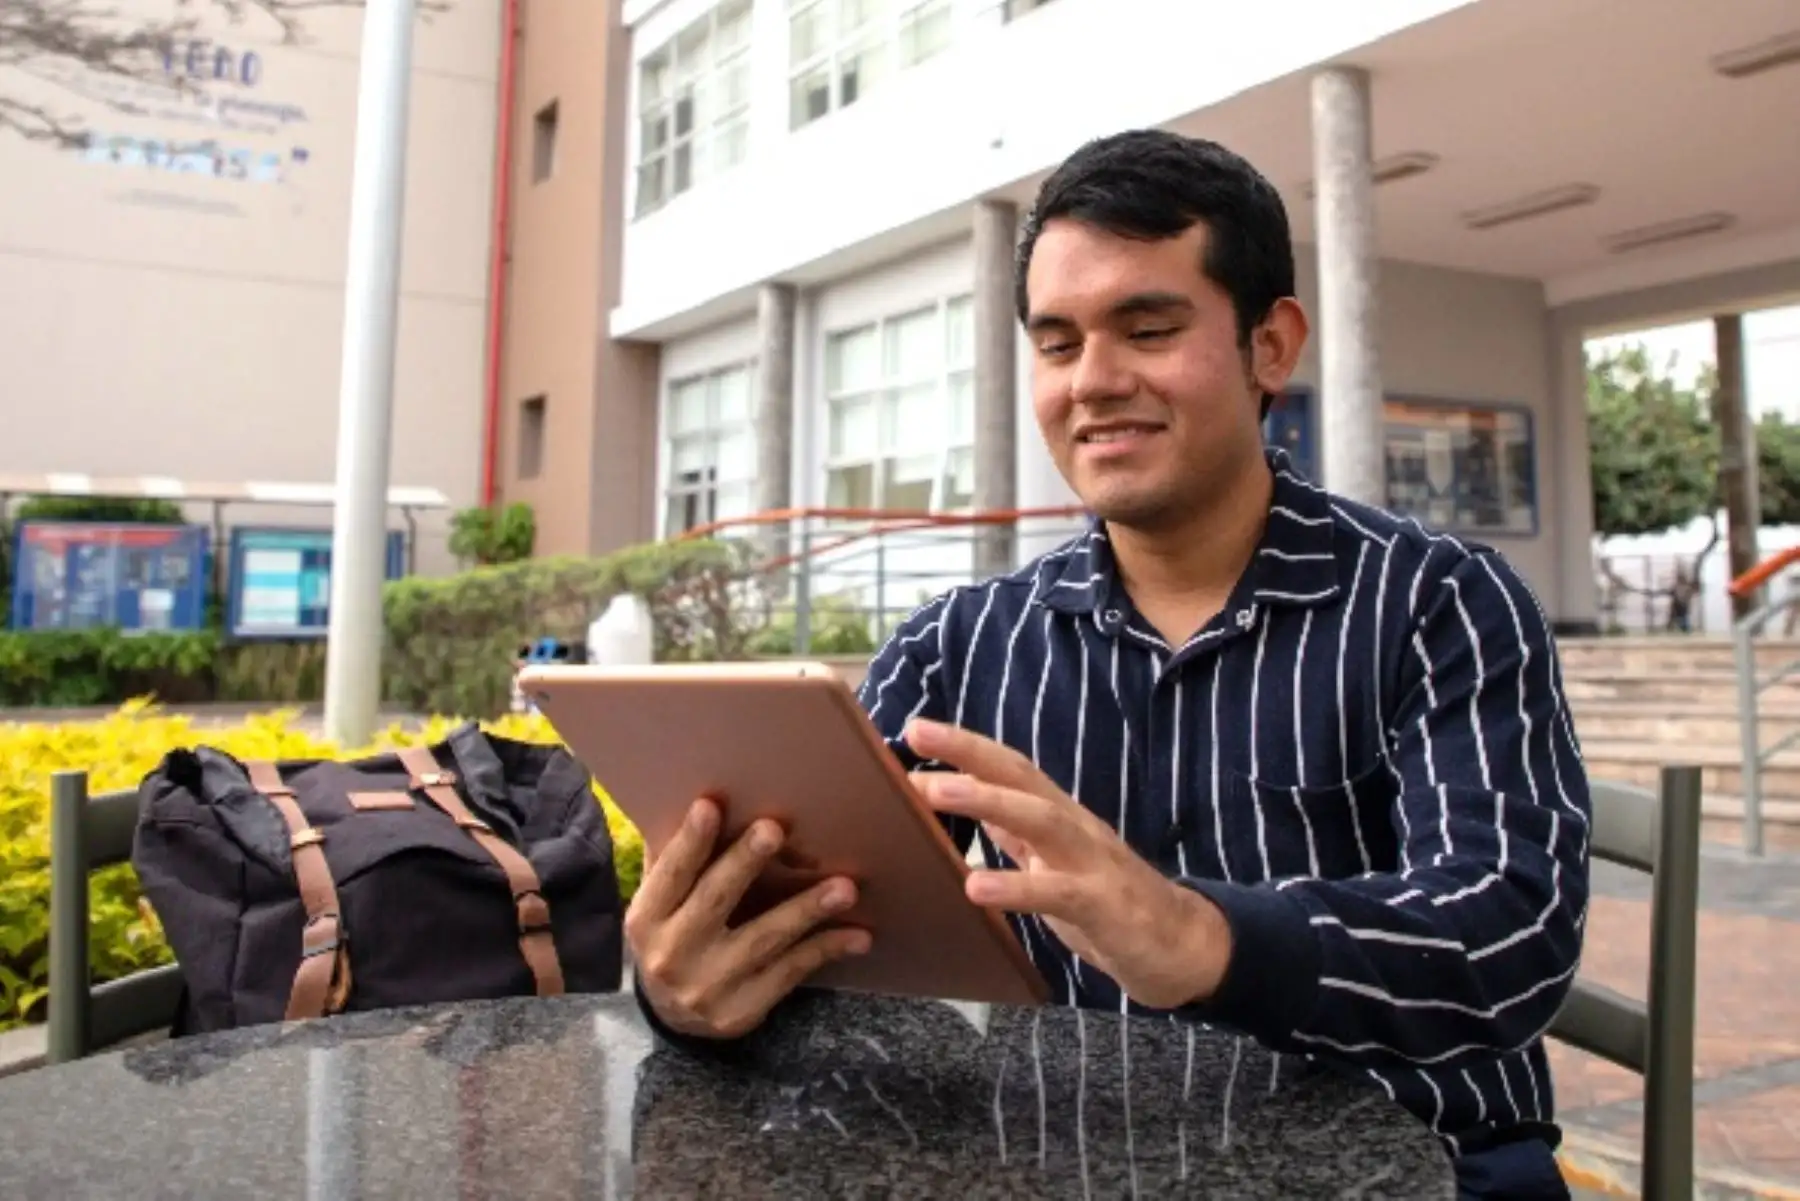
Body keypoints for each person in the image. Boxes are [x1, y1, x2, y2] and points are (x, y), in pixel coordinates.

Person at [625, 128, 1591, 1200]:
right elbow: (831, 930)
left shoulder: (1438, 603)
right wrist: (688, 987)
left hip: (1426, 1162)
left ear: (1271, 346)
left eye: (1148, 329)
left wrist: (1203, 938)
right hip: (1080, 1165)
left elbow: (1513, 929)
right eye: (1057, 344)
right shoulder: (961, 645)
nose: (1093, 381)